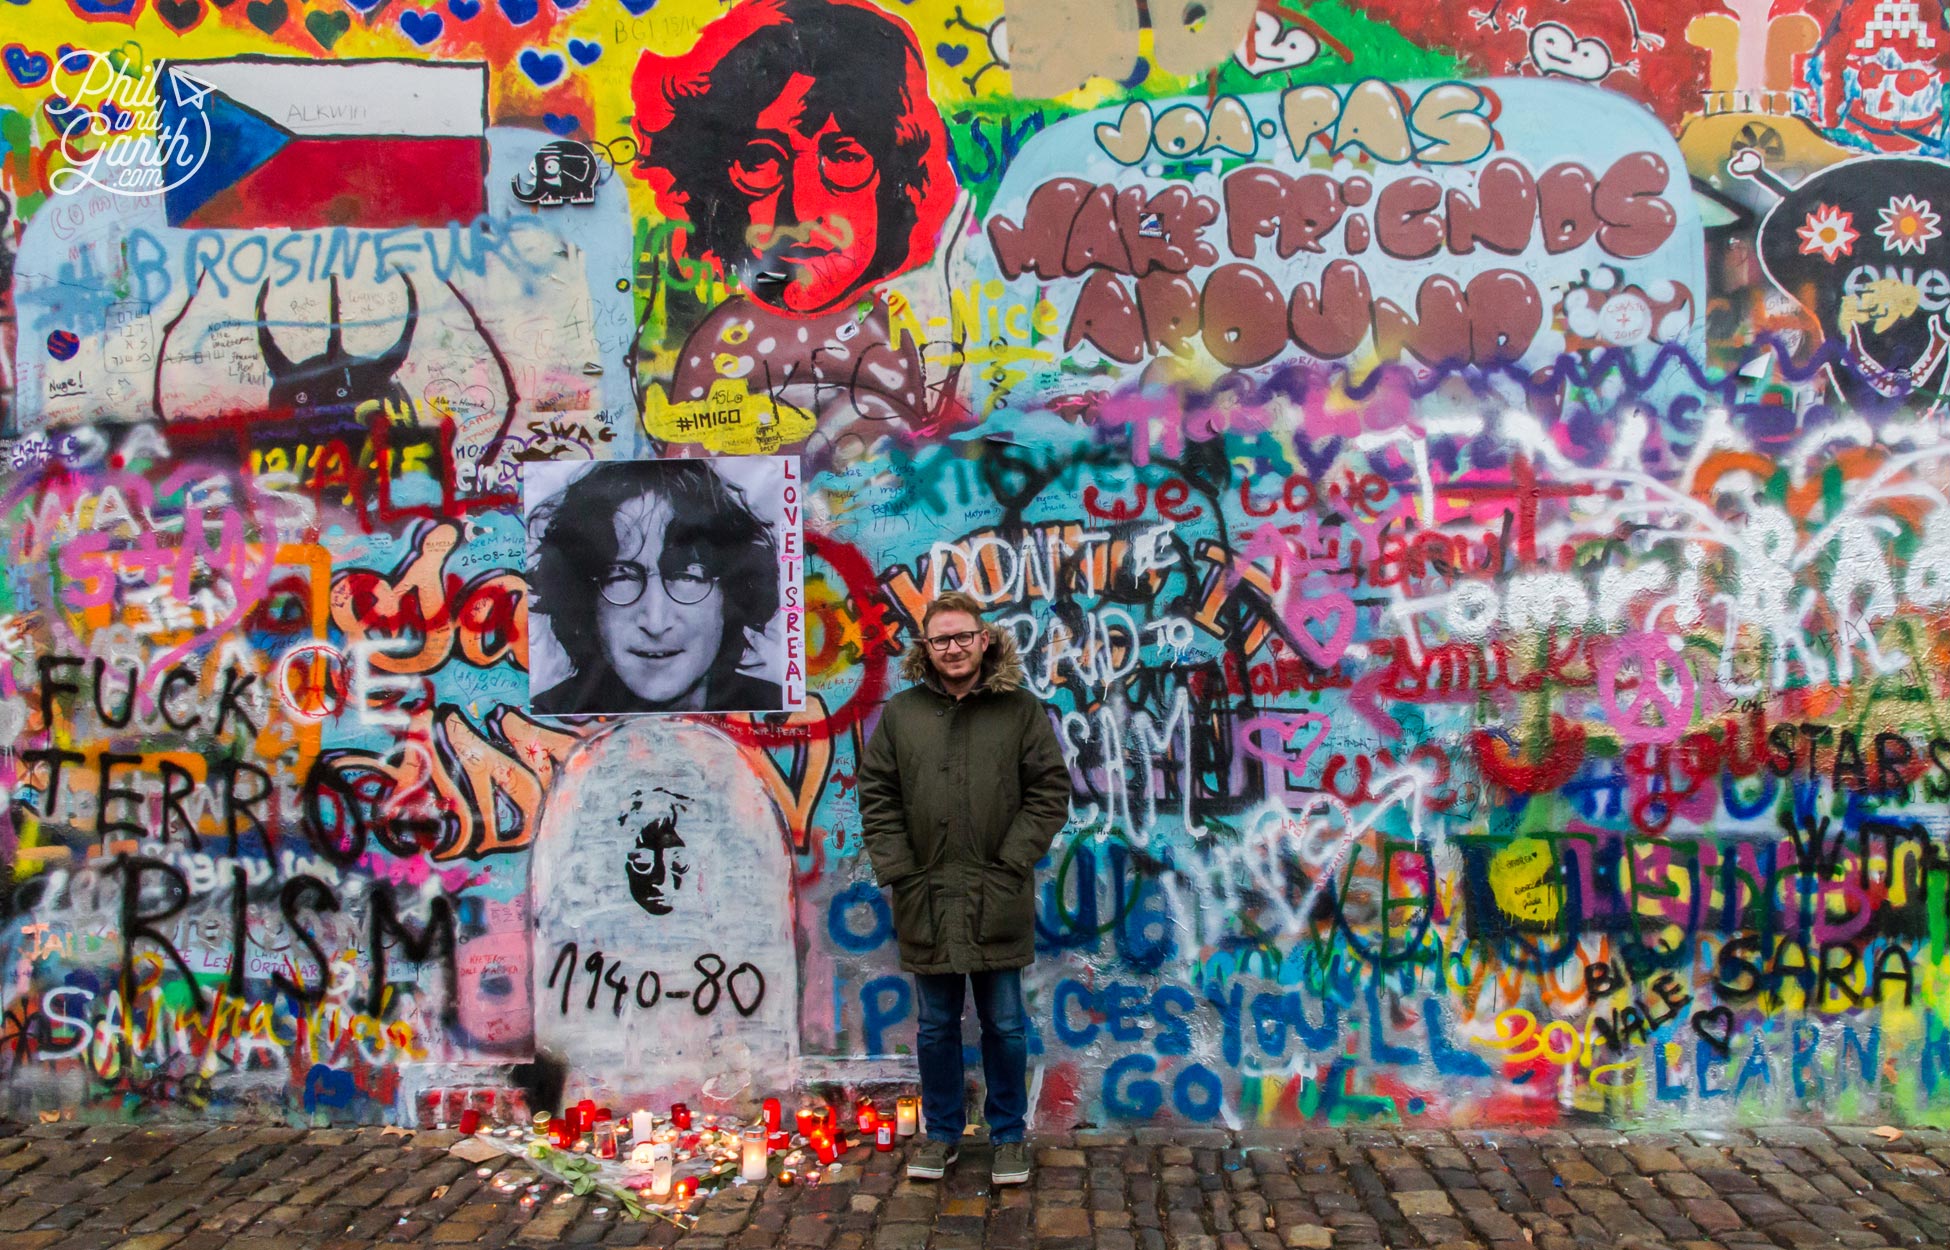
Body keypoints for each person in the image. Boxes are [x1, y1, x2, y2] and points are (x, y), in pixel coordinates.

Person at [628, 0, 957, 431]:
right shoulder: (717, 349)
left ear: (897, 181)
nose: (801, 207)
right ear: (713, 189)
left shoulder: (887, 341)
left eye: (844, 156)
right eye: (761, 160)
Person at [856, 591, 1072, 1186]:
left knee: (1004, 1023)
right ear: (925, 649)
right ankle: (943, 1133)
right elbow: (876, 795)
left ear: (984, 640)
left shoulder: (1019, 710)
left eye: (962, 636)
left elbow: (1049, 792)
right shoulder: (903, 715)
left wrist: (1011, 861)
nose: (952, 648)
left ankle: (1008, 1136)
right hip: (925, 895)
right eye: (940, 639)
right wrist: (899, 868)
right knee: (934, 1025)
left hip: (996, 892)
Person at [529, 460, 782, 714]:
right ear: (583, 598)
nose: (655, 623)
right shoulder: (539, 722)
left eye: (688, 576)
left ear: (730, 595)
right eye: (621, 578)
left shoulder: (782, 714)